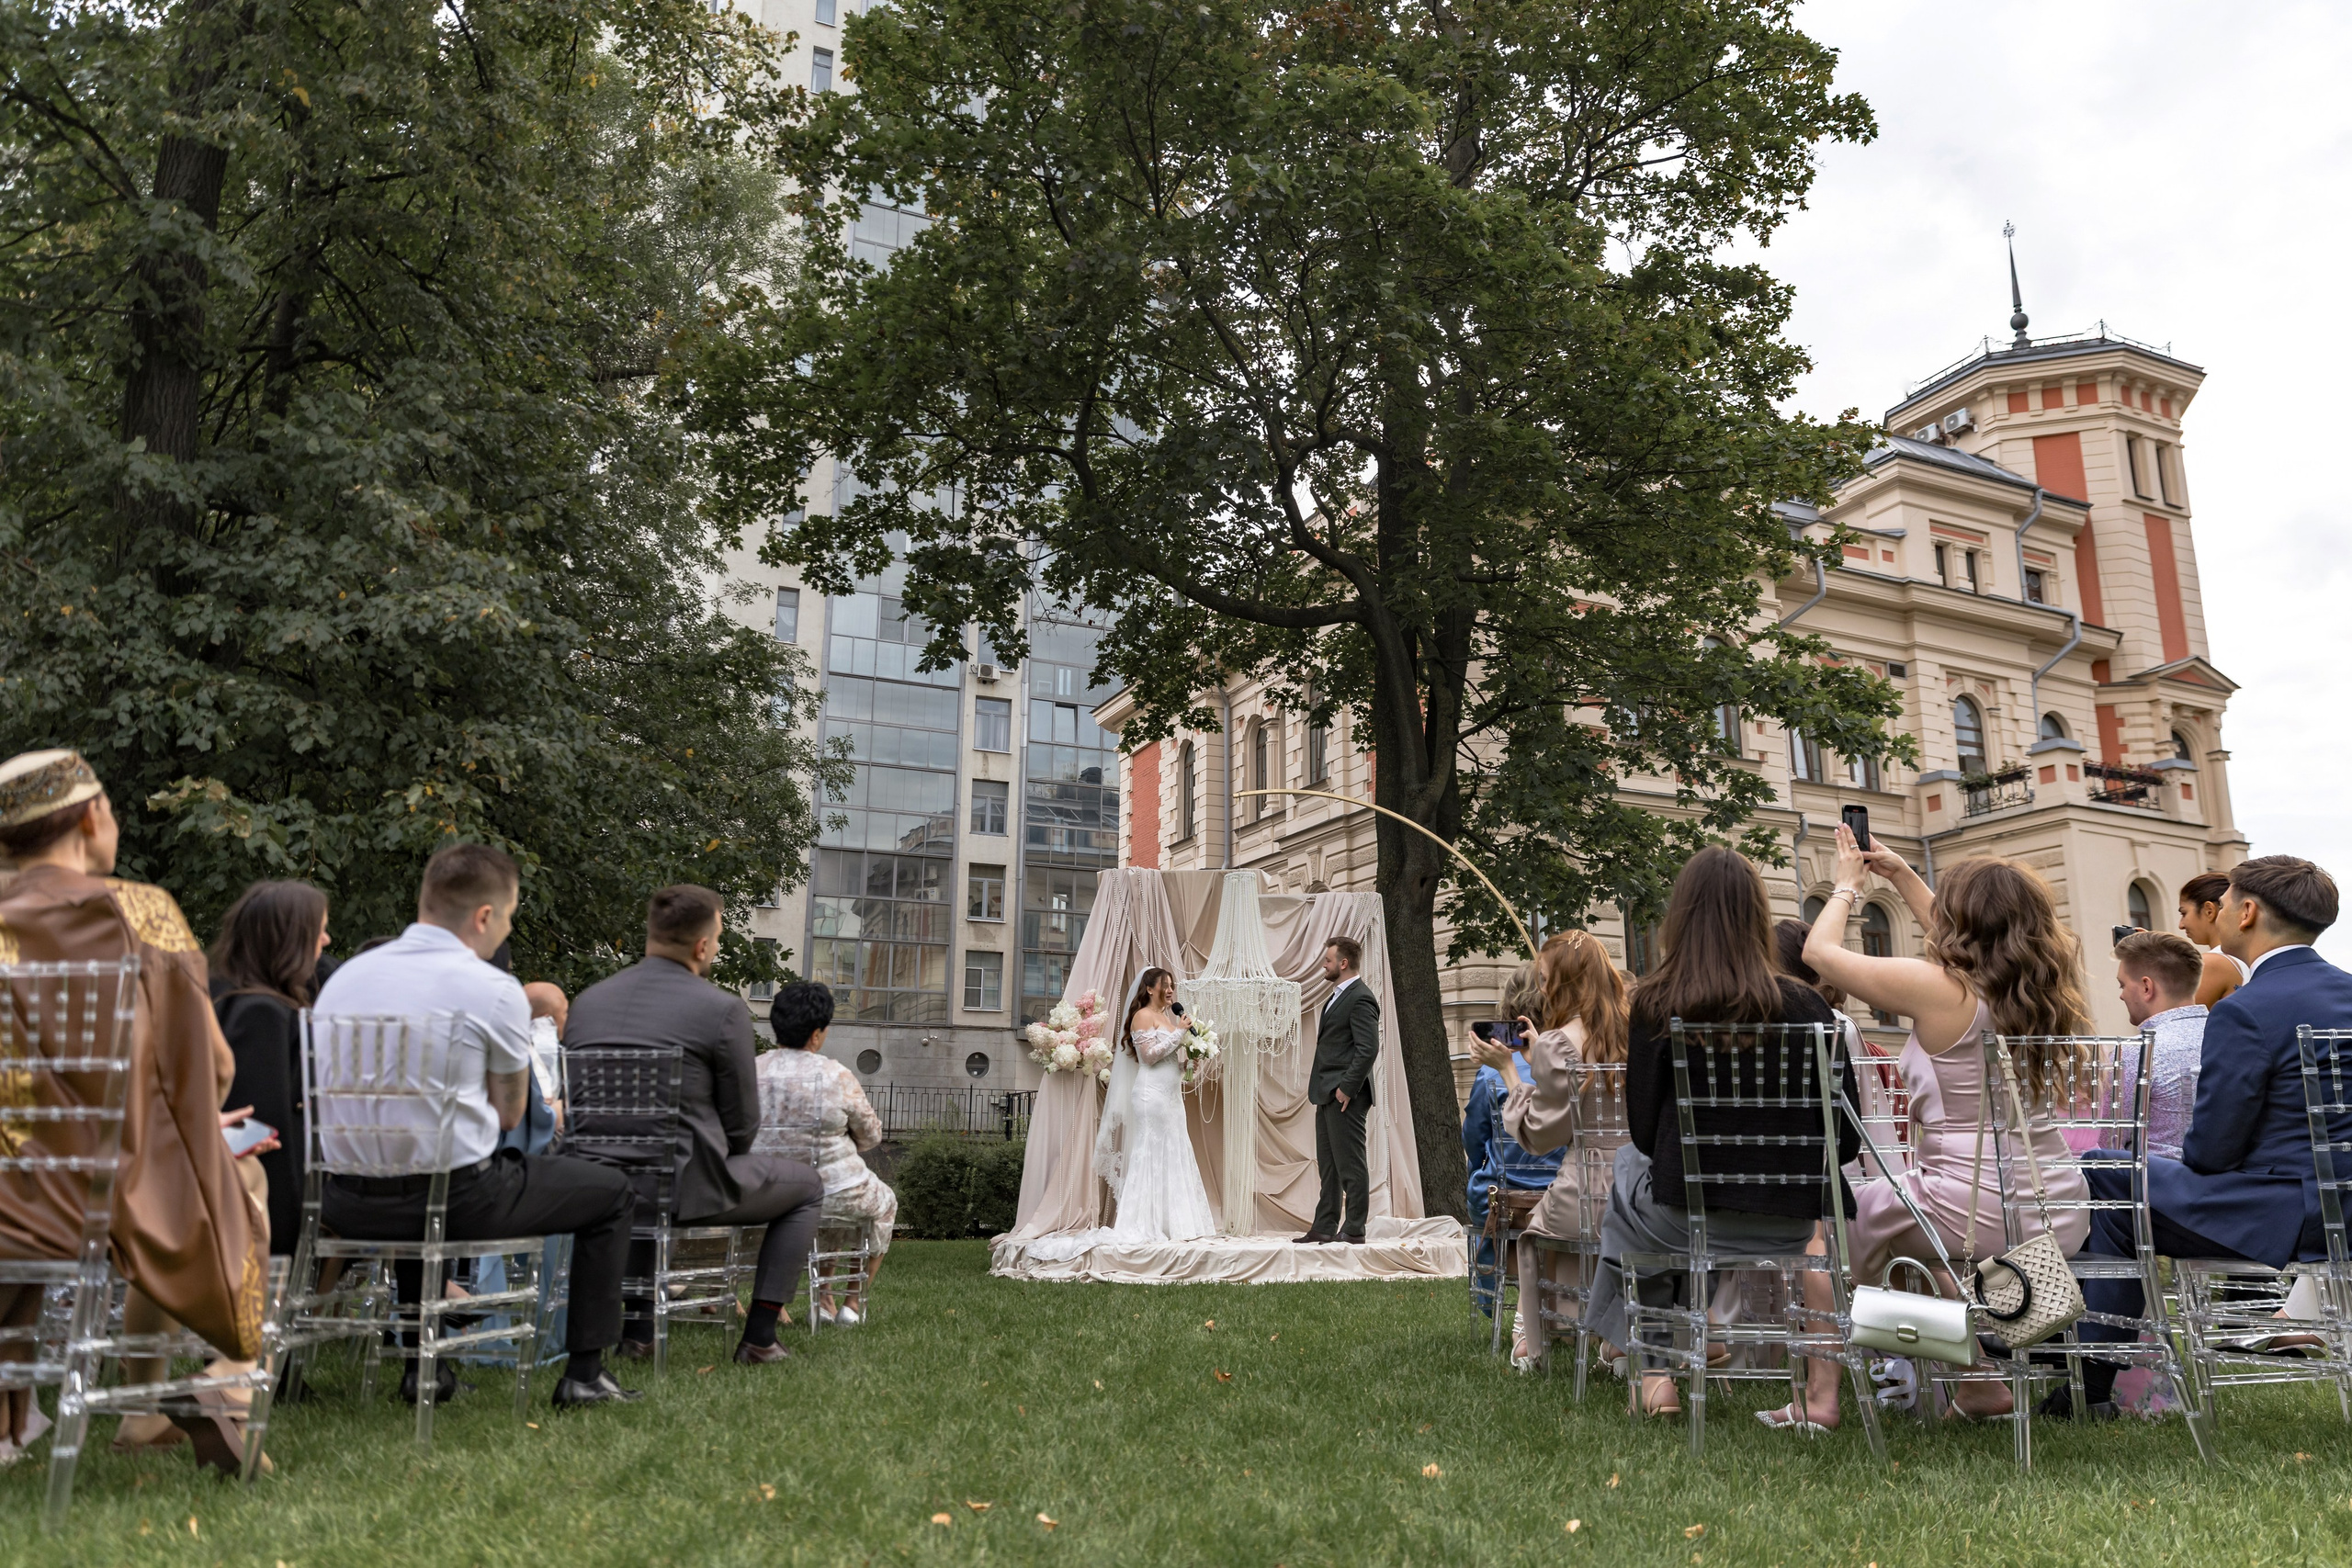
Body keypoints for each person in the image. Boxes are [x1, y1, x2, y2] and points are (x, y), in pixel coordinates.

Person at [0, 750, 270, 1473]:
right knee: (241, 1180)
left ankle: (67, 1416)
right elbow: (211, 1064)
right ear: (93, 817)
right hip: (93, 1196)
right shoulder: (138, 909)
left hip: (14, 1192)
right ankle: (228, 1377)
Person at [314, 843, 642, 1409]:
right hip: (454, 1199)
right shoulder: (491, 990)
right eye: (509, 916)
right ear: (485, 916)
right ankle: (586, 1375)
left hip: (342, 1200)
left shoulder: (346, 978)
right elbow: (511, 1113)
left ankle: (426, 1371)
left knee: (424, 1178)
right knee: (610, 1192)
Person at [1803, 827, 2092, 1423]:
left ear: (1962, 924)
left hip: (1971, 1203)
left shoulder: (1939, 991)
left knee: (1825, 1238)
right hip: (2056, 1202)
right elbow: (1979, 932)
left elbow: (1819, 955)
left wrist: (1847, 887)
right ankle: (1977, 1383)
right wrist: (1903, 874)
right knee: (1911, 1255)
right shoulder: (2037, 989)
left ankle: (1820, 1401)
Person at [2063, 855, 2352, 1418]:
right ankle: (2091, 1373)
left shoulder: (2246, 1010)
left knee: (2104, 1169)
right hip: (2342, 1203)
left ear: (2246, 913)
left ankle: (2083, 1367)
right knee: (2117, 1180)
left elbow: (2212, 1151)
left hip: (2291, 1215)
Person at [1585, 846, 1860, 1427]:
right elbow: (1847, 1138)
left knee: (1631, 1178)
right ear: (1758, 919)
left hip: (1688, 1218)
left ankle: (1654, 1372)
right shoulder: (1809, 1006)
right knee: (1641, 1185)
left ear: (1680, 918)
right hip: (1790, 1225)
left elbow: (1640, 1131)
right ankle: (1811, 1393)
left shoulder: (1657, 1003)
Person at [563, 885, 825, 1367]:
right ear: (703, 945)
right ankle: (760, 1336)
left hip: (595, 1184)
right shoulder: (720, 1009)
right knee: (807, 1186)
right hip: (684, 1185)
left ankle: (638, 1331)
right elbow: (743, 1122)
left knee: (642, 1186)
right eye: (720, 937)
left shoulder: (587, 1003)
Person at [1465, 930, 1631, 1370]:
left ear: (1564, 983)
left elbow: (1539, 1136)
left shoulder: (1561, 1043)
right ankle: (1615, 1340)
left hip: (1587, 1187)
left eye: (1545, 979)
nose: (1541, 989)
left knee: (1539, 1232)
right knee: (1595, 1231)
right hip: (1639, 1191)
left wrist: (1510, 1071)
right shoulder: (1635, 1030)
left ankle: (1529, 1339)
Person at [752, 983, 898, 1322]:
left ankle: (812, 1302)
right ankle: (850, 1302)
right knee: (884, 1203)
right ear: (817, 1034)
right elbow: (872, 1135)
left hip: (765, 1192)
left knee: (828, 1207)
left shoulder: (751, 1070)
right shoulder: (835, 1075)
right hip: (835, 1190)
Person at [209, 880, 330, 1256]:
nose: (325, 940)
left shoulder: (222, 995)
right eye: (319, 930)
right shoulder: (261, 1013)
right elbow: (264, 1126)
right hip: (263, 1205)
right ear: (292, 939)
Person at [1459, 964, 1566, 1329]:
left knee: (1482, 1190)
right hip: (1561, 1195)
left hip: (1504, 1199)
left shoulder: (1490, 1071)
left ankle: (1512, 1294)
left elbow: (1473, 1137)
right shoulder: (1565, 1063)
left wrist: (1478, 1169)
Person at [1300, 936, 1380, 1245]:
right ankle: (1324, 1225)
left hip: (1346, 1094)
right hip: (1327, 1092)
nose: (1324, 964)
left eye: (1328, 960)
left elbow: (1368, 1048)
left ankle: (1355, 1228)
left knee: (1351, 1164)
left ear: (1343, 963)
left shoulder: (1361, 997)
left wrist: (1346, 1088)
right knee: (1330, 1165)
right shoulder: (1336, 996)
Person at [2114, 929, 2209, 1161]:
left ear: (2147, 987)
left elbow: (2110, 1142)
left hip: (2155, 1188)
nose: (2122, 995)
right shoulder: (2229, 1035)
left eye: (2122, 985)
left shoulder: (2137, 1050)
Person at [2178, 870, 2250, 1009]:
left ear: (2209, 911)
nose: (2181, 925)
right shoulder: (2249, 957)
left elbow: (2178, 1023)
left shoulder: (2211, 963)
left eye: (2184, 913)